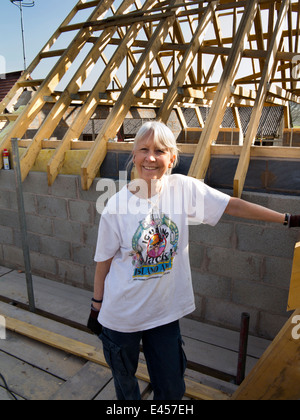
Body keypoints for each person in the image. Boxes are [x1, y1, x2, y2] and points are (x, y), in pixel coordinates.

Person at [88, 121, 300, 400]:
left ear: (172, 158)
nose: (150, 157)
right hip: (122, 317)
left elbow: (231, 205)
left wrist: (288, 219)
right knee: (126, 388)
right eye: (143, 150)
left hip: (163, 316)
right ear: (134, 155)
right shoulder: (116, 206)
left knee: (172, 389)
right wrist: (96, 307)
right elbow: (103, 263)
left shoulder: (183, 190)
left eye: (160, 151)